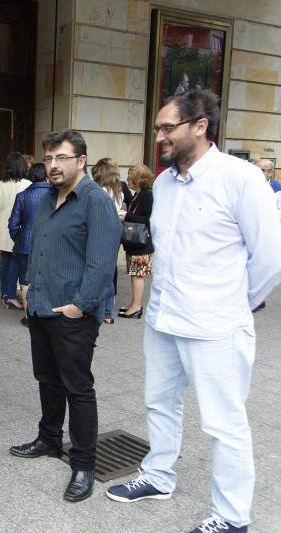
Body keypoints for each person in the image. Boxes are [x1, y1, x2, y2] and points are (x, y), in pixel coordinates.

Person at [105, 90, 281, 533]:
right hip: (164, 318)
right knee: (159, 403)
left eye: (168, 128)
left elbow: (269, 257)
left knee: (225, 423)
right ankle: (159, 476)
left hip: (217, 326)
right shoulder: (163, 183)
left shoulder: (240, 178)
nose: (159, 136)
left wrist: (234, 305)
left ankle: (232, 517)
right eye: (158, 128)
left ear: (200, 126)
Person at [9, 130, 121, 503]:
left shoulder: (95, 202)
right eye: (49, 158)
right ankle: (49, 438)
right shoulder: (46, 200)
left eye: (61, 158)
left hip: (72, 314)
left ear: (81, 160)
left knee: (78, 388)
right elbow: (39, 247)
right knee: (47, 379)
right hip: (40, 308)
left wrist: (79, 306)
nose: (53, 165)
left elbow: (102, 264)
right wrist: (27, 288)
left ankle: (84, 464)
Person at [8, 162, 50, 326]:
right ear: (46, 175)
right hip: (49, 244)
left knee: (25, 281)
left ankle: (29, 316)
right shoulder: (55, 194)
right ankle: (45, 315)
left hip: (24, 245)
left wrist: (18, 238)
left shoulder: (22, 196)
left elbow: (13, 224)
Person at [0, 152, 32, 308]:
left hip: (2, 228)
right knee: (16, 263)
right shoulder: (27, 184)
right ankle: (10, 295)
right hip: (20, 228)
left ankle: (5, 294)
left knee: (5, 263)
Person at [118, 164, 155, 318]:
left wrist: (127, 216)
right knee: (134, 274)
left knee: (137, 275)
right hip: (135, 243)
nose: (128, 180)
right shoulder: (137, 194)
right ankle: (134, 305)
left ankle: (136, 307)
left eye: (130, 177)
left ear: (139, 179)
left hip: (142, 244)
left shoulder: (147, 195)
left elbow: (147, 219)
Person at [91, 157, 125, 324]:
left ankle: (102, 310)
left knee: (101, 271)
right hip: (115, 231)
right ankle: (108, 312)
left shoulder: (101, 191)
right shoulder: (119, 190)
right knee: (110, 271)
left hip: (103, 232)